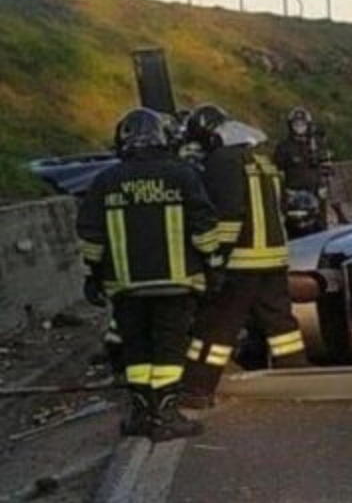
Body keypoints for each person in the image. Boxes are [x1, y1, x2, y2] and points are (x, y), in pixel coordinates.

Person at [76, 108, 219, 440]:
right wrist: (213, 267)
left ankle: (142, 414)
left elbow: (90, 237)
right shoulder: (182, 175)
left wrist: (94, 276)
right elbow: (204, 228)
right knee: (169, 349)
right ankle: (166, 415)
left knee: (136, 350)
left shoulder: (105, 181)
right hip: (176, 282)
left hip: (126, 286)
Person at [181, 104, 307, 408]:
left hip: (241, 261)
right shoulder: (261, 160)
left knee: (217, 325)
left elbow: (228, 216)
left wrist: (215, 258)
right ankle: (299, 378)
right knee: (280, 325)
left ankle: (197, 389)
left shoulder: (222, 162)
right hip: (274, 258)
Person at [273, 107, 333, 236]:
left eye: (302, 124)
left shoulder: (317, 144)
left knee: (320, 226)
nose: (299, 127)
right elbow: (278, 171)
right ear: (291, 126)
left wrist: (324, 184)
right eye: (296, 124)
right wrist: (284, 194)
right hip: (294, 195)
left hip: (316, 192)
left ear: (308, 125)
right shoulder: (283, 147)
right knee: (295, 228)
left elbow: (327, 166)